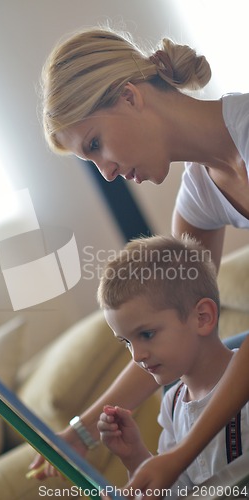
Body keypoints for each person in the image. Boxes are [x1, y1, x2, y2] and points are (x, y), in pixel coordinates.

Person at [29, 24, 249, 482]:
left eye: (96, 145)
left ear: (130, 97)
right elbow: (171, 324)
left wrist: (180, 455)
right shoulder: (200, 195)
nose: (106, 173)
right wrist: (84, 433)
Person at [96, 234, 249, 498]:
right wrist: (135, 456)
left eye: (146, 335)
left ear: (202, 317)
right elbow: (177, 493)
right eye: (126, 342)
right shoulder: (172, 403)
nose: (137, 356)